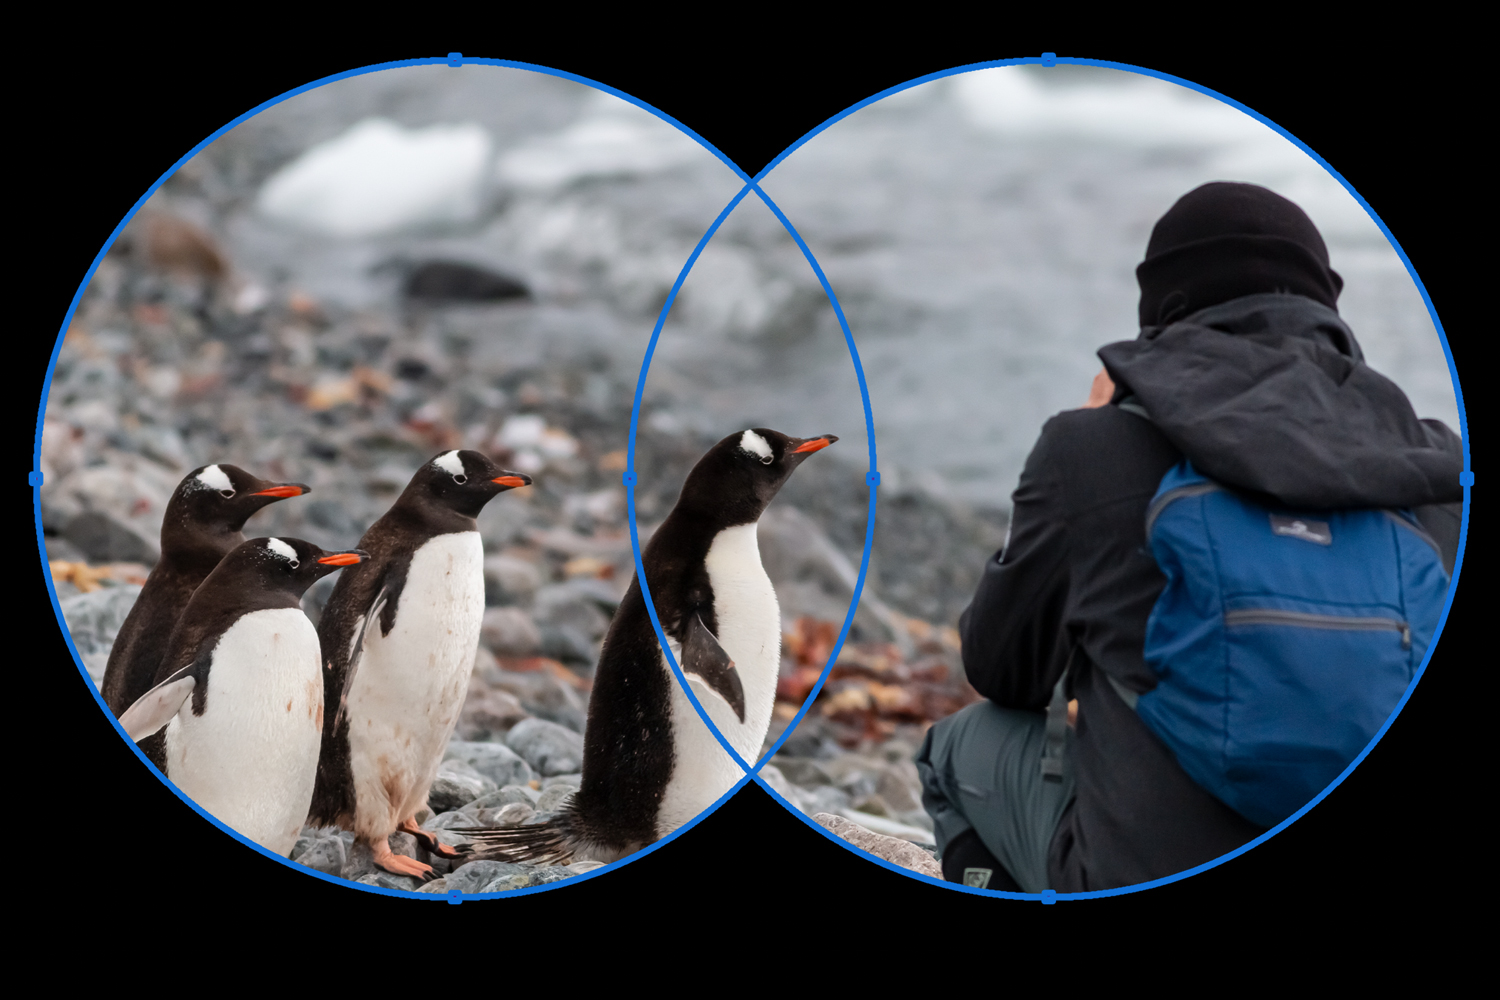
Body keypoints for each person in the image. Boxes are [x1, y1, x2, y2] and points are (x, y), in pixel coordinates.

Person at [915, 182, 1464, 893]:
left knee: (959, 746)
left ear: (1163, 307)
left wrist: (1079, 450)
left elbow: (1002, 669)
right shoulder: (1430, 466)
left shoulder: (1094, 448)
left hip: (1141, 872)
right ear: (1327, 305)